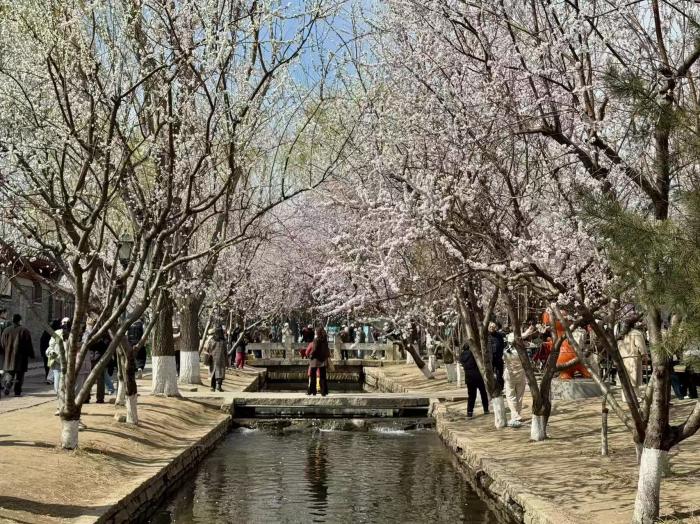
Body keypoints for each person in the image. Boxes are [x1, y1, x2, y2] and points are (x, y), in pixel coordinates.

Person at [0, 314, 35, 397]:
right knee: (20, 375)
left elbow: (2, 344)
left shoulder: (6, 331)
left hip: (9, 357)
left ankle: (8, 385)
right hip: (21, 357)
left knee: (10, 374)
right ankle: (17, 391)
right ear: (20, 320)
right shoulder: (24, 330)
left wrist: (3, 354)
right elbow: (28, 344)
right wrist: (31, 354)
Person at [460, 344, 488, 418]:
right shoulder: (474, 354)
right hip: (478, 376)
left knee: (471, 396)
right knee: (483, 393)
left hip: (469, 377)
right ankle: (486, 409)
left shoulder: (461, 356)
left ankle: (469, 412)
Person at [504, 333, 526, 427]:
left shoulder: (506, 351)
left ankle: (515, 415)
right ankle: (517, 415)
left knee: (510, 396)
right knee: (519, 397)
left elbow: (503, 360)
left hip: (510, 376)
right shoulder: (521, 352)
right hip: (521, 375)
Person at [307, 326, 330, 396]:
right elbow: (327, 349)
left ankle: (312, 391)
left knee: (313, 376)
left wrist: (310, 355)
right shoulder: (325, 340)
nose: (315, 332)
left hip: (315, 360)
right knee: (323, 377)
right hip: (323, 360)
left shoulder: (316, 339)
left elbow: (314, 349)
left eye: (315, 331)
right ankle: (323, 391)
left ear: (317, 332)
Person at [203, 326, 227, 392]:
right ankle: (218, 387)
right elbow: (225, 352)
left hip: (213, 358)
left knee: (213, 372)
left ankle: (212, 387)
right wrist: (227, 361)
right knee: (220, 373)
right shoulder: (223, 341)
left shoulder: (211, 340)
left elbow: (207, 349)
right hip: (221, 359)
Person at [487, 322, 505, 391]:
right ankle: (491, 388)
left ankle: (500, 388)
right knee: (490, 374)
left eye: (493, 327)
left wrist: (501, 354)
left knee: (499, 374)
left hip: (498, 357)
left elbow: (502, 345)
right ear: (488, 327)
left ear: (495, 328)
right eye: (490, 327)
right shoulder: (486, 335)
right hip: (489, 358)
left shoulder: (499, 335)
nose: (492, 328)